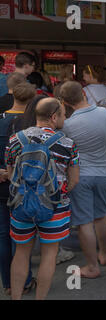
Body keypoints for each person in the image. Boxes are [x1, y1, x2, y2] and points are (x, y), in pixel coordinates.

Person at [6, 97, 79, 300]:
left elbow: (12, 175)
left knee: (21, 253)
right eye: (64, 114)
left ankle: (16, 298)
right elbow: (74, 180)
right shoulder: (68, 144)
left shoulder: (15, 140)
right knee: (49, 254)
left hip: (21, 206)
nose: (65, 118)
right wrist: (59, 193)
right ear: (54, 117)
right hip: (55, 207)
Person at [60, 81, 106, 279]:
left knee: (84, 222)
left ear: (64, 102)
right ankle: (104, 254)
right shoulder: (104, 113)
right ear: (83, 93)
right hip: (103, 174)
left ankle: (91, 267)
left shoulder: (68, 125)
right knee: (101, 215)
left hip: (80, 176)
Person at [0, 83, 36, 296]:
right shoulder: (32, 125)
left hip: (3, 184)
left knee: (4, 235)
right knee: (21, 237)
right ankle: (24, 281)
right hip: (24, 186)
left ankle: (8, 282)